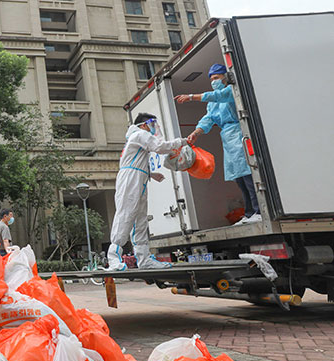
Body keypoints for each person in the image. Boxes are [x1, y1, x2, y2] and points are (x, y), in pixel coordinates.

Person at [174, 63, 261, 225]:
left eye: (216, 78)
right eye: (211, 79)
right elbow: (208, 119)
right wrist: (196, 133)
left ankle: (258, 210)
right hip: (228, 140)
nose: (214, 81)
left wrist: (192, 97)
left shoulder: (231, 92)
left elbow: (218, 96)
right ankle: (249, 213)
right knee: (239, 179)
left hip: (239, 133)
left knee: (249, 176)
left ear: (224, 78)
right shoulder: (213, 103)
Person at [107, 113, 192, 271]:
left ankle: (144, 259)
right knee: (125, 215)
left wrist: (150, 174)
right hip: (130, 180)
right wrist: (182, 142)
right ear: (144, 125)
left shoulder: (137, 138)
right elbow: (159, 147)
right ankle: (113, 258)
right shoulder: (139, 134)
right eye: (153, 124)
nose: (154, 127)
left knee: (140, 220)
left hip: (138, 178)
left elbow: (136, 162)